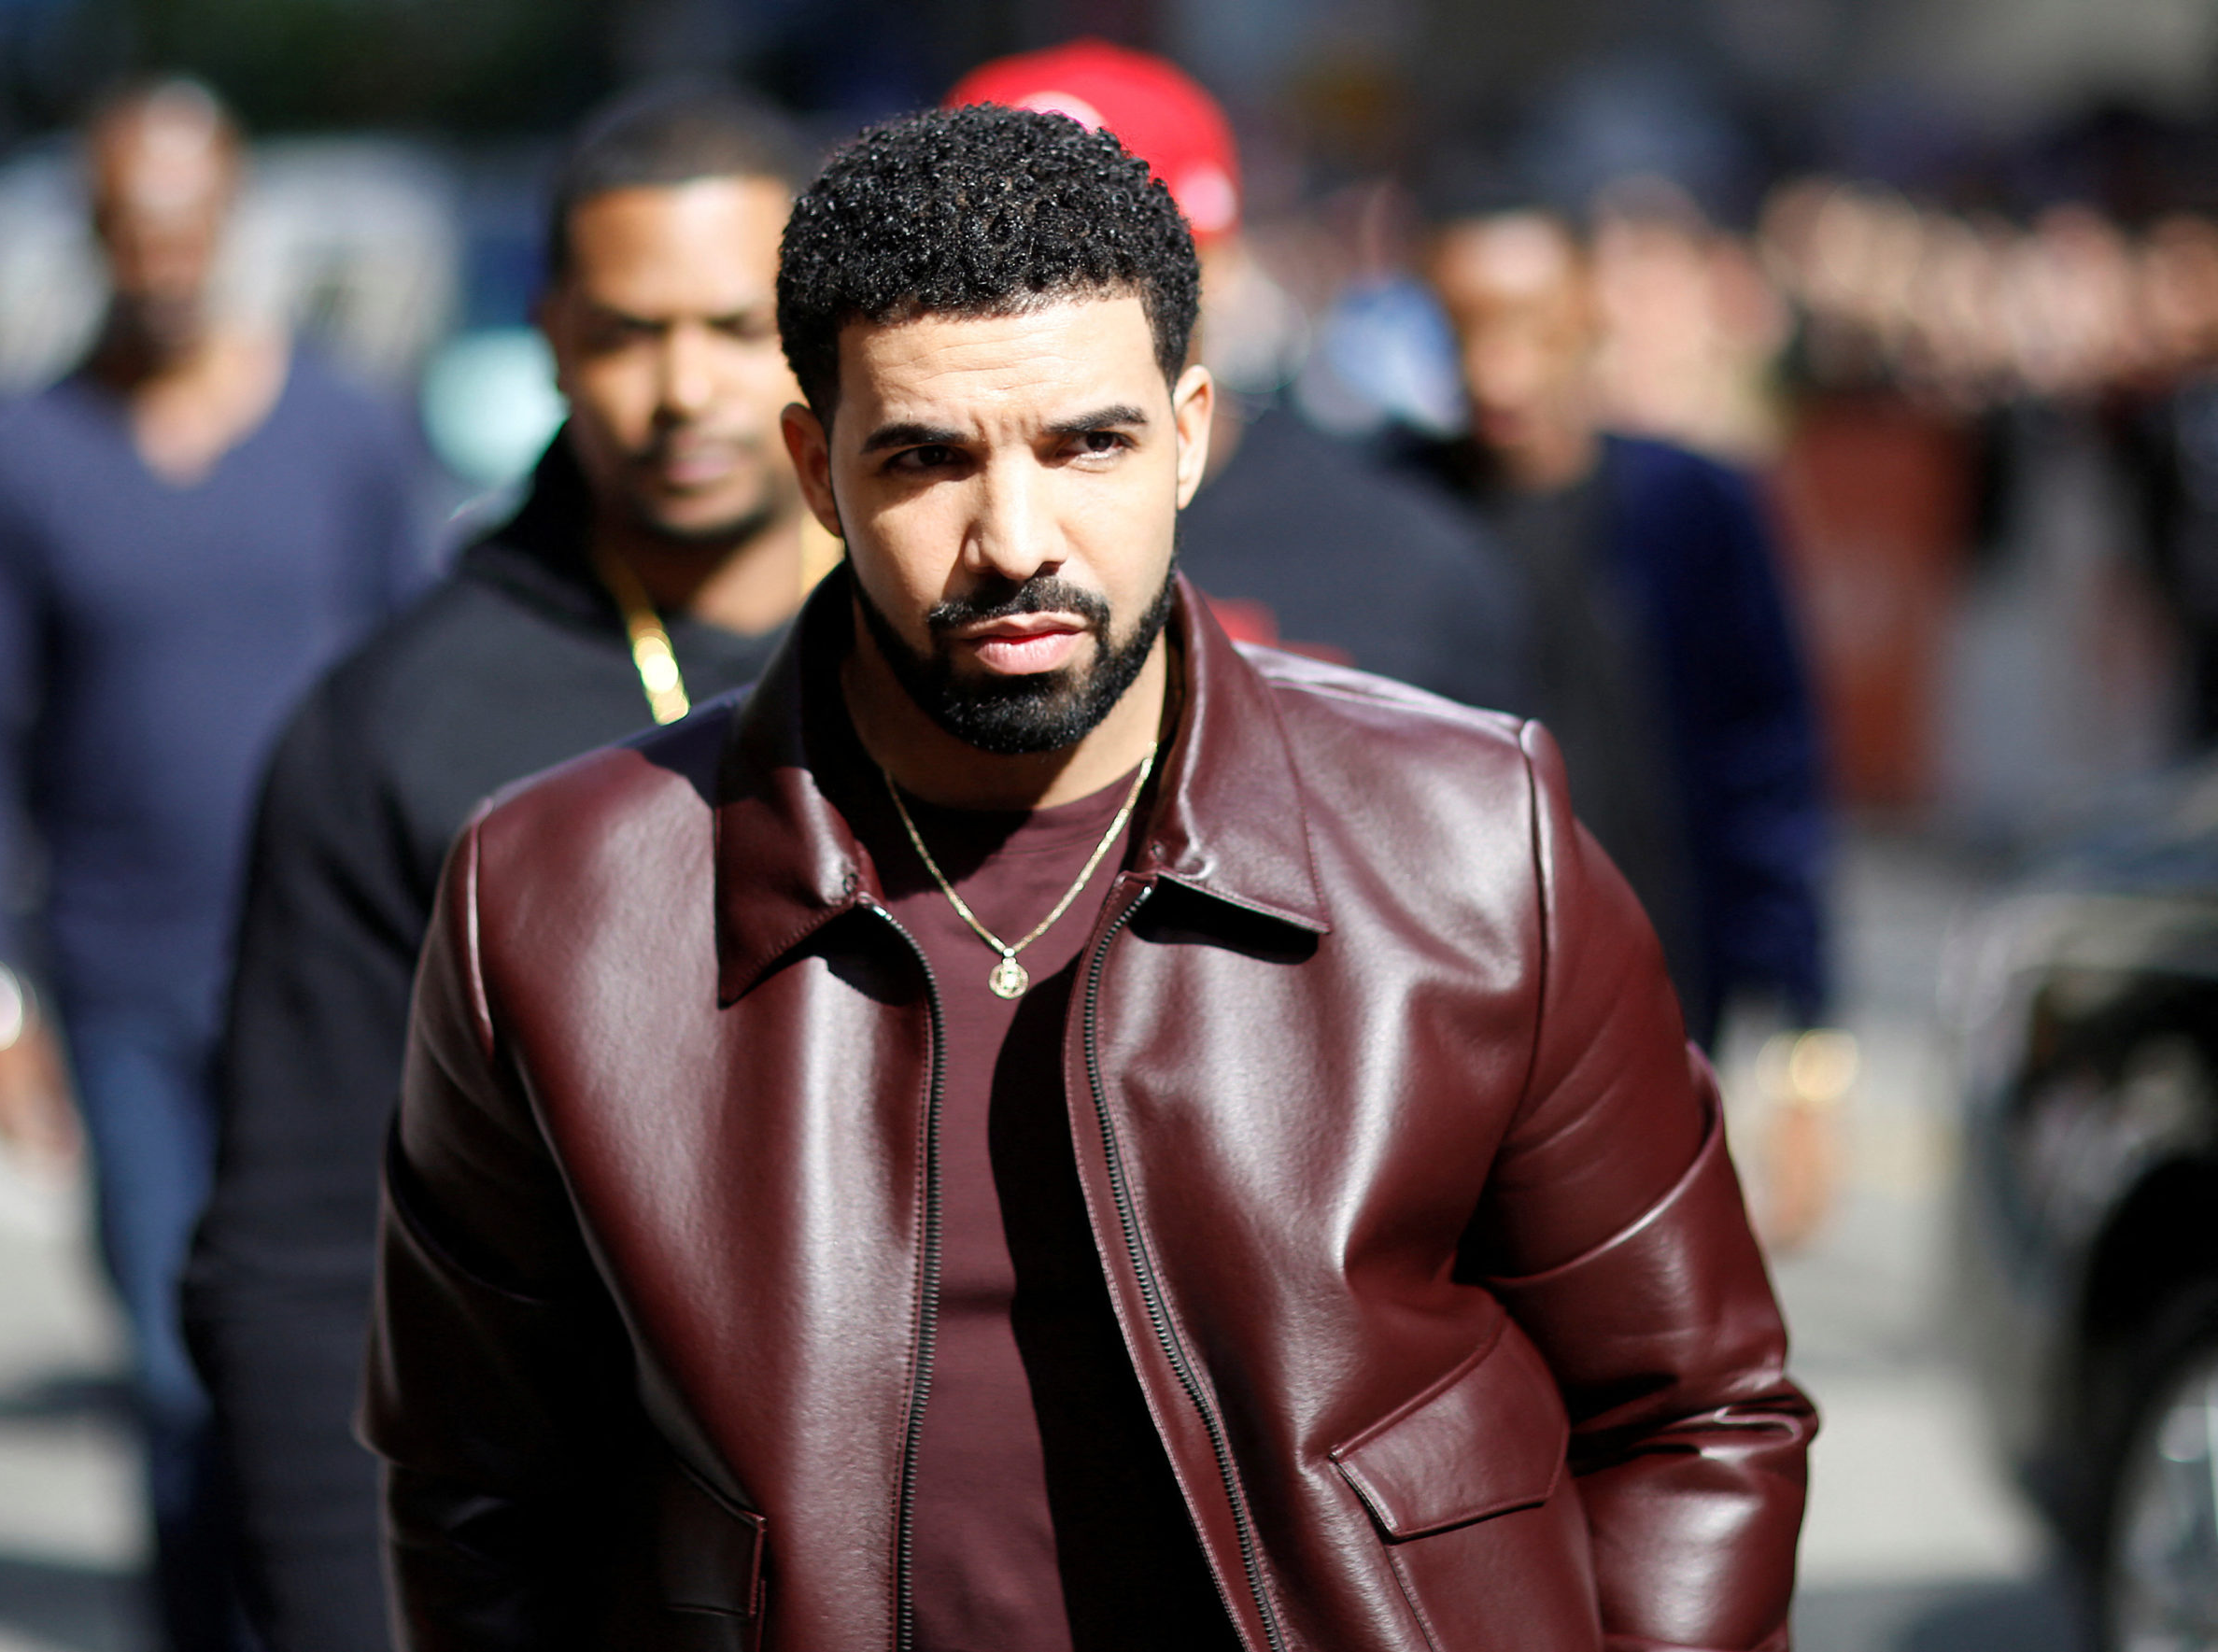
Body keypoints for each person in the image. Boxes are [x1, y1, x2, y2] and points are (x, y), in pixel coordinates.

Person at [362, 104, 1812, 1650]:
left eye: (1088, 442)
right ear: (815, 464)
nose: (1014, 536)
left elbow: (1692, 1412)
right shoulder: (557, 898)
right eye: (927, 457)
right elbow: (478, 1487)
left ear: (1189, 431)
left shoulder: (1468, 843)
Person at [179, 86, 823, 1652]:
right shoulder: (404, 722)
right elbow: (307, 1250)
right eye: (627, 332)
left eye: (739, 329)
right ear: (546, 336)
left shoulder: (977, 647)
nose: (685, 391)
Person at [0, 79, 428, 1650]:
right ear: (95, 236)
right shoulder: (24, 460)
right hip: (128, 984)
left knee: (347, 1352)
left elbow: (427, 679)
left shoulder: (344, 429)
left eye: (190, 221)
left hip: (345, 981)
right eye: (133, 227)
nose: (165, 256)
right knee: (173, 1355)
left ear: (234, 220)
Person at [949, 40, 1530, 713]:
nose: (1034, 309)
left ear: (1216, 268)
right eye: (981, 271)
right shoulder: (893, 553)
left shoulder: (1404, 561)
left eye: (1101, 270)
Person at [1425, 202, 1830, 1048]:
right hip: (1459, 1003)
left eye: (1530, 329)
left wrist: (1806, 1021)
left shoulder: (1691, 506)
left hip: (1659, 991)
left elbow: (1768, 761)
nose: (1499, 372)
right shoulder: (1403, 511)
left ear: (1585, 318)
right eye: (1468, 330)